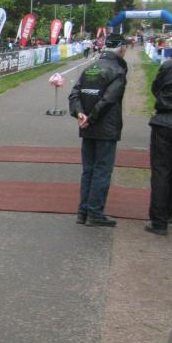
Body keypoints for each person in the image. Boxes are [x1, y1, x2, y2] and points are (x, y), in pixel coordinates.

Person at [68, 32, 129, 227]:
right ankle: (94, 212)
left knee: (88, 170)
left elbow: (74, 94)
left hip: (87, 126)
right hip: (104, 127)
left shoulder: (90, 68)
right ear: (121, 49)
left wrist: (80, 114)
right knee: (102, 171)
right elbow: (108, 100)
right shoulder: (118, 71)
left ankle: (83, 211)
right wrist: (90, 118)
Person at [145, 31, 172, 235]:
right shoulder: (170, 64)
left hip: (164, 122)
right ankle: (169, 213)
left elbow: (156, 88)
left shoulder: (169, 65)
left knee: (161, 172)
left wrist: (169, 101)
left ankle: (159, 221)